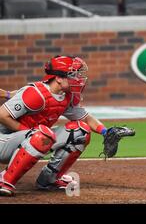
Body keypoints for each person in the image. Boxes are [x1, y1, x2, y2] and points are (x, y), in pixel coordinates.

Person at [0, 56, 129, 196]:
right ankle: (5, 180)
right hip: (4, 142)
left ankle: (49, 179)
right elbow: (2, 115)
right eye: (73, 75)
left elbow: (86, 118)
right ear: (59, 78)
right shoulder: (35, 93)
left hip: (32, 138)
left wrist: (105, 131)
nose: (78, 79)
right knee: (42, 134)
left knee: (80, 131)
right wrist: (31, 134)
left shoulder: (66, 96)